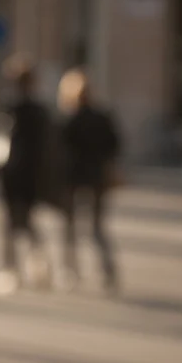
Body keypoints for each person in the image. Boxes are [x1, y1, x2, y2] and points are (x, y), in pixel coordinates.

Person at [0, 56, 52, 296]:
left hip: (14, 174)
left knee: (11, 223)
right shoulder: (37, 110)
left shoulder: (10, 108)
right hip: (29, 175)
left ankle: (12, 268)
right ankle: (35, 262)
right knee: (26, 221)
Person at [58, 69, 122, 295]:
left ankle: (70, 272)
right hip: (97, 178)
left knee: (70, 228)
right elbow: (115, 145)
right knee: (97, 227)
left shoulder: (69, 119)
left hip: (74, 178)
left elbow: (59, 151)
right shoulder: (102, 116)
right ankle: (107, 271)